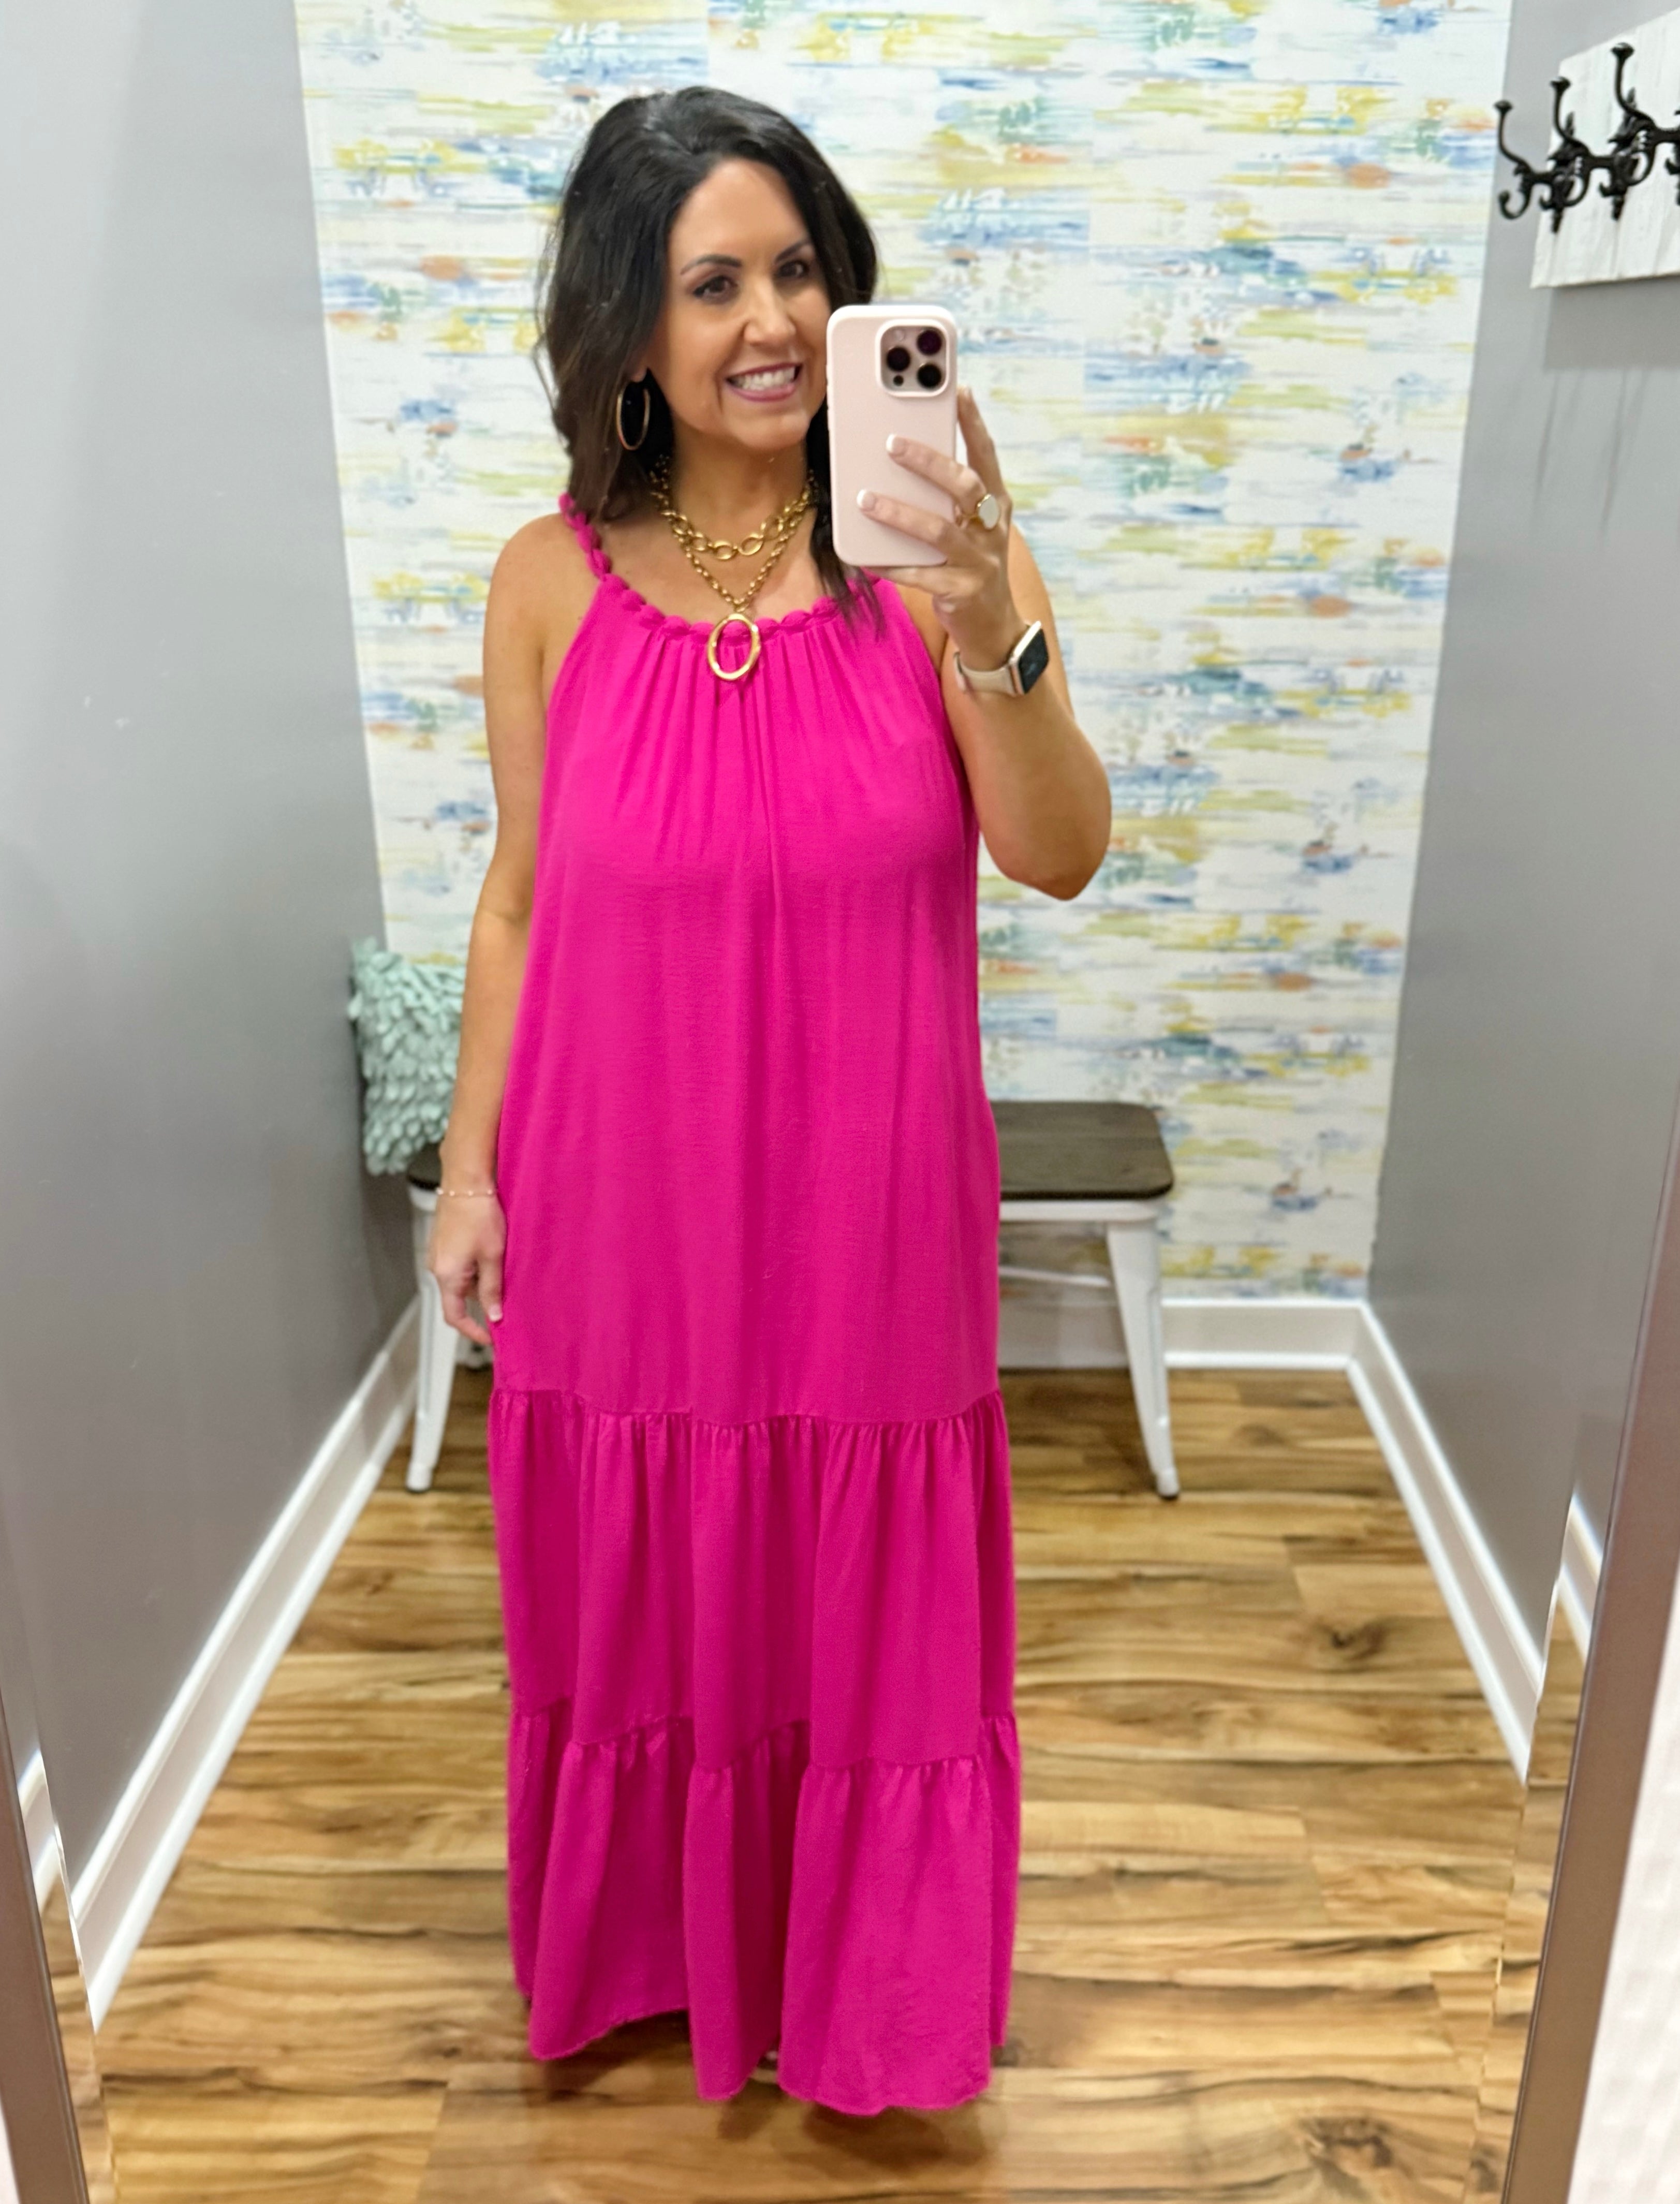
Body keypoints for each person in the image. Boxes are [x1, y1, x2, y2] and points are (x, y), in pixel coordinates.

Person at [426, 84, 1111, 2119]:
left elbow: (1061, 851)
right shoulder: (546, 582)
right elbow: (519, 908)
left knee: (859, 1597)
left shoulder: (929, 570)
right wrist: (471, 1174)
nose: (770, 321)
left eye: (799, 267)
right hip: (618, 1211)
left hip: (868, 1215)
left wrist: (1001, 623)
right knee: (640, 1594)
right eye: (709, 280)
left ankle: (863, 1989)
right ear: (626, 329)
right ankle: (654, 1949)